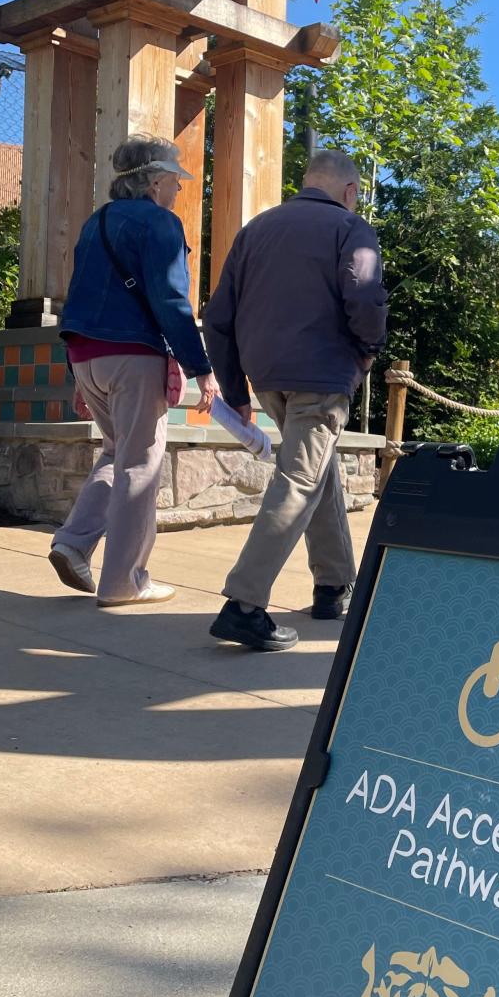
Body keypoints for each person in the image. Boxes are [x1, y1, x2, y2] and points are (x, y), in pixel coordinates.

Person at [204, 148, 388, 652]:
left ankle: (333, 586)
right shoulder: (350, 227)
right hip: (322, 374)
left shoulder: (255, 231)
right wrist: (368, 351)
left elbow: (219, 317)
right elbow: (365, 294)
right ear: (350, 191)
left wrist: (237, 392)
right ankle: (243, 604)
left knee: (315, 468)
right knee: (300, 479)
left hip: (267, 375)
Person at [49, 134, 218, 606]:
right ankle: (125, 581)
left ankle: (73, 543)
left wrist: (76, 371)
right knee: (141, 464)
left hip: (86, 356)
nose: (179, 190)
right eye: (175, 181)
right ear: (157, 181)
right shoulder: (162, 224)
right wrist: (201, 366)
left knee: (115, 453)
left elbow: (80, 297)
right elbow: (169, 300)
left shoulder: (94, 223)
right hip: (133, 356)